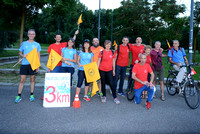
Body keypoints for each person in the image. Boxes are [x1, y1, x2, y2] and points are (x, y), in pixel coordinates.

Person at [14, 29, 41, 103]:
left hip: (33, 64)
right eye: (30, 34)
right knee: (22, 80)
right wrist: (23, 55)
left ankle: (31, 94)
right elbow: (20, 52)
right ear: (28, 35)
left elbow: (38, 56)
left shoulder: (37, 44)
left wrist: (38, 66)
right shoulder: (24, 43)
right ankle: (19, 95)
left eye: (33, 34)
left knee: (32, 79)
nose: (31, 35)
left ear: (34, 35)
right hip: (24, 64)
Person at [97, 40, 120, 104]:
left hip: (109, 70)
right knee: (103, 83)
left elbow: (113, 62)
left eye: (109, 44)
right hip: (102, 70)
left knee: (111, 84)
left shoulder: (112, 52)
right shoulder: (101, 52)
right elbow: (98, 61)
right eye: (107, 44)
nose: (108, 45)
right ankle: (104, 96)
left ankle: (115, 97)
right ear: (104, 45)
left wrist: (114, 70)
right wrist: (97, 69)